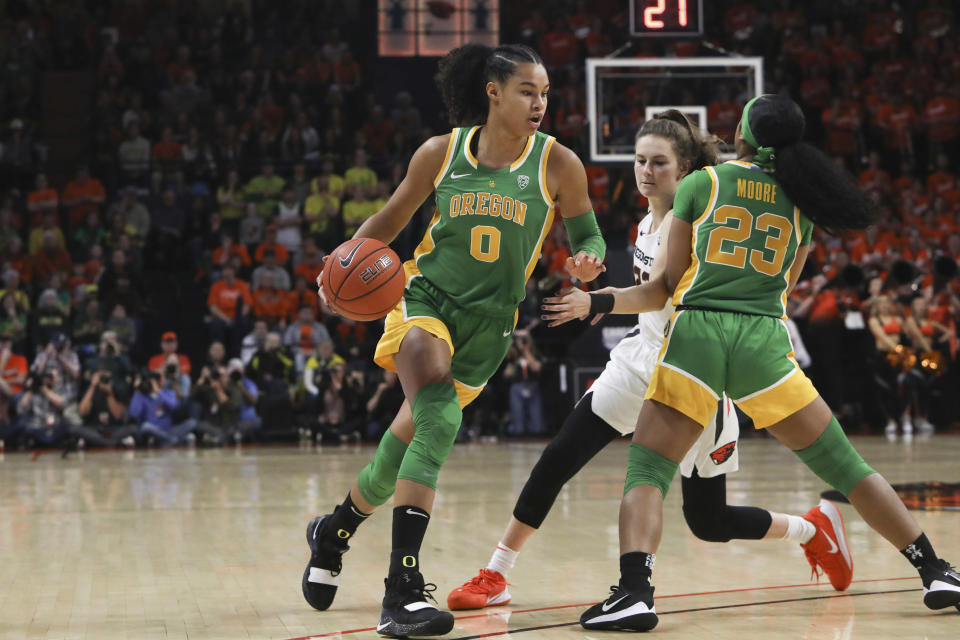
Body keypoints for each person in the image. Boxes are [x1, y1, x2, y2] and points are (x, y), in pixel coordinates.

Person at [545, 94, 960, 631]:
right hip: (764, 338)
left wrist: (600, 300)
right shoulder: (802, 202)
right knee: (846, 467)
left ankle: (635, 593)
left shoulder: (702, 184)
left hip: (697, 334)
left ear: (741, 132)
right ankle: (936, 569)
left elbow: (665, 288)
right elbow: (784, 286)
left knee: (648, 470)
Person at [449, 112, 853, 612]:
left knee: (709, 522)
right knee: (559, 457)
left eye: (658, 163)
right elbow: (645, 299)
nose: (645, 171)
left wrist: (596, 301)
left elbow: (659, 291)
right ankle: (498, 573)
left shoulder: (697, 218)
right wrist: (595, 283)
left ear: (684, 170)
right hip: (641, 359)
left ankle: (811, 529)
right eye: (639, 160)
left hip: (693, 367)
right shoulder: (644, 222)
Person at [301, 43, 605, 638]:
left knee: (398, 452)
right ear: (493, 92)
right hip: (425, 299)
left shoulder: (558, 163)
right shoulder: (441, 153)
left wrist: (589, 260)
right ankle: (403, 589)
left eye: (544, 92)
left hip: (490, 326)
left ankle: (334, 529)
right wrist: (340, 265)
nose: (539, 102)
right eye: (526, 90)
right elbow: (390, 221)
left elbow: (588, 230)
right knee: (438, 417)